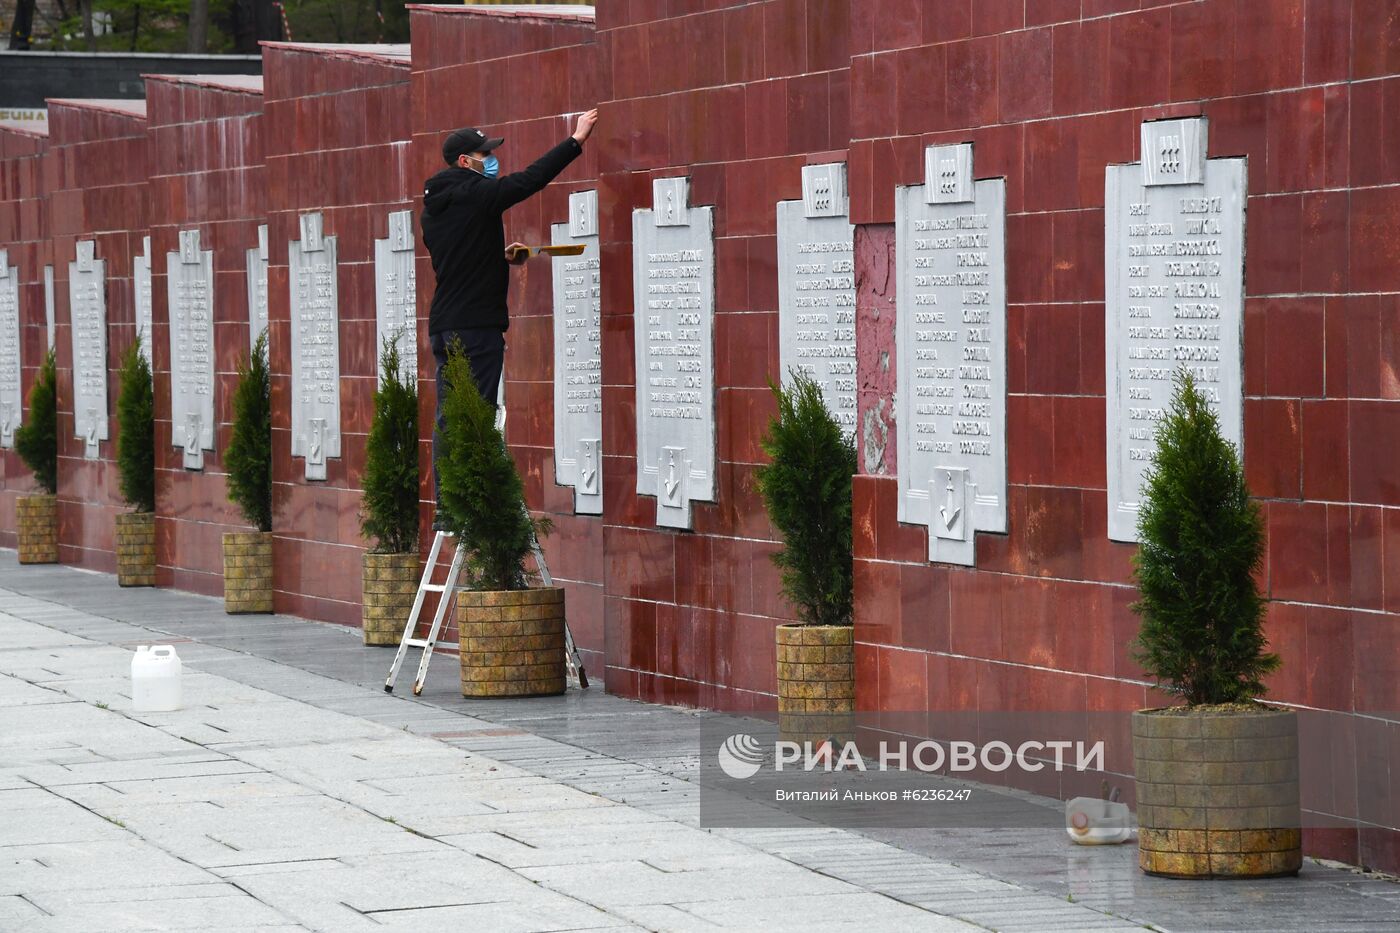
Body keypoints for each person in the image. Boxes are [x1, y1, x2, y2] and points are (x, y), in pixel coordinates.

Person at [422, 109, 599, 519]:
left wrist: (495, 258)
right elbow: (530, 180)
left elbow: (457, 256)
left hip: (445, 325)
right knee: (478, 415)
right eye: (485, 154)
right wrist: (576, 141)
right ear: (465, 161)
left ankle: (447, 505)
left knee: (449, 415)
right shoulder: (477, 194)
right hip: (477, 328)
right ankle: (473, 506)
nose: (491, 159)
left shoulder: (434, 208)